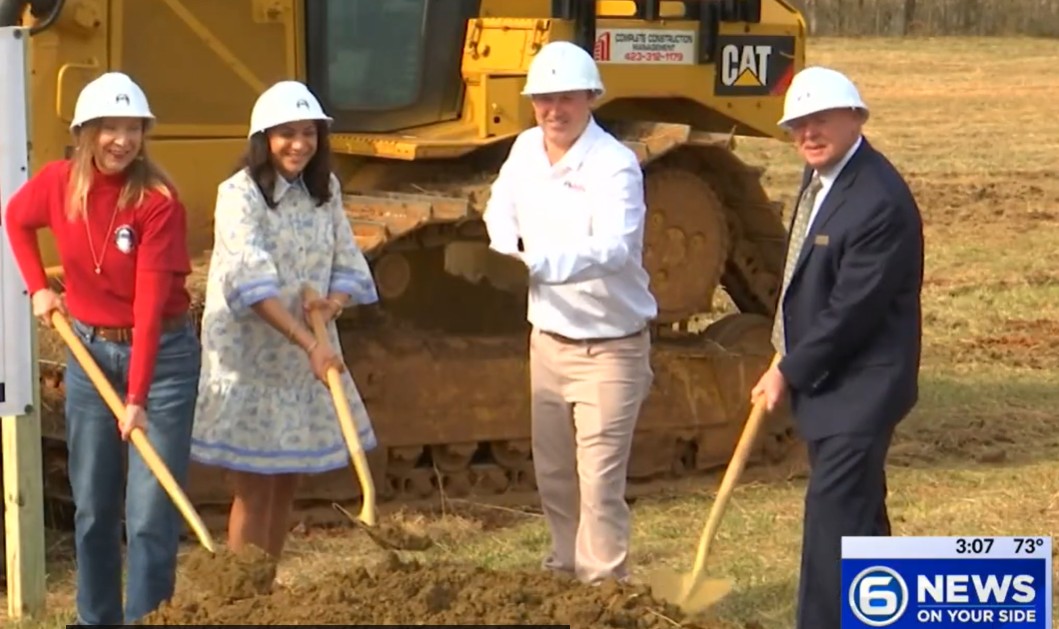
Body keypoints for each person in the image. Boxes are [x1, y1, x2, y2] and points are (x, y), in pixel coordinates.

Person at [3, 72, 200, 625]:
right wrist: (39, 288)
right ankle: (96, 619)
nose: (122, 139)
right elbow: (15, 220)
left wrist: (136, 397)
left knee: (150, 513)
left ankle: (146, 619)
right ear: (85, 132)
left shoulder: (157, 203)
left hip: (161, 361)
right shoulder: (57, 183)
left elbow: (148, 305)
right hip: (89, 354)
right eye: (110, 127)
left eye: (133, 128)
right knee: (93, 506)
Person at [750, 66, 924, 629]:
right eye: (798, 125)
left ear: (856, 118)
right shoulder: (822, 177)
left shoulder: (878, 201)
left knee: (831, 518)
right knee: (859, 516)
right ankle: (886, 615)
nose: (808, 133)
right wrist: (786, 343)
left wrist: (789, 368)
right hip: (833, 382)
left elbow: (852, 311)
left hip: (863, 387)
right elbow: (806, 275)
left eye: (820, 119)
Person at [482, 41, 657, 586]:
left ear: (590, 98)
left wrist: (535, 265)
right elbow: (498, 207)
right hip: (548, 340)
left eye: (566, 99)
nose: (553, 110)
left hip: (610, 346)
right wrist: (504, 251)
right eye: (544, 99)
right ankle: (563, 574)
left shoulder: (614, 165)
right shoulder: (525, 150)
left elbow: (614, 248)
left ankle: (603, 587)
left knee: (598, 480)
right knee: (556, 473)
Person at [189, 80, 380, 561]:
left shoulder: (324, 190)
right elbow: (251, 283)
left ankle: (267, 585)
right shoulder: (239, 195)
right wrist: (310, 342)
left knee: (286, 483)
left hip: (302, 361)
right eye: (287, 134)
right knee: (255, 486)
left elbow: (346, 258)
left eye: (309, 133)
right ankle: (242, 590)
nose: (299, 144)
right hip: (252, 359)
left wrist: (332, 304)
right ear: (264, 139)